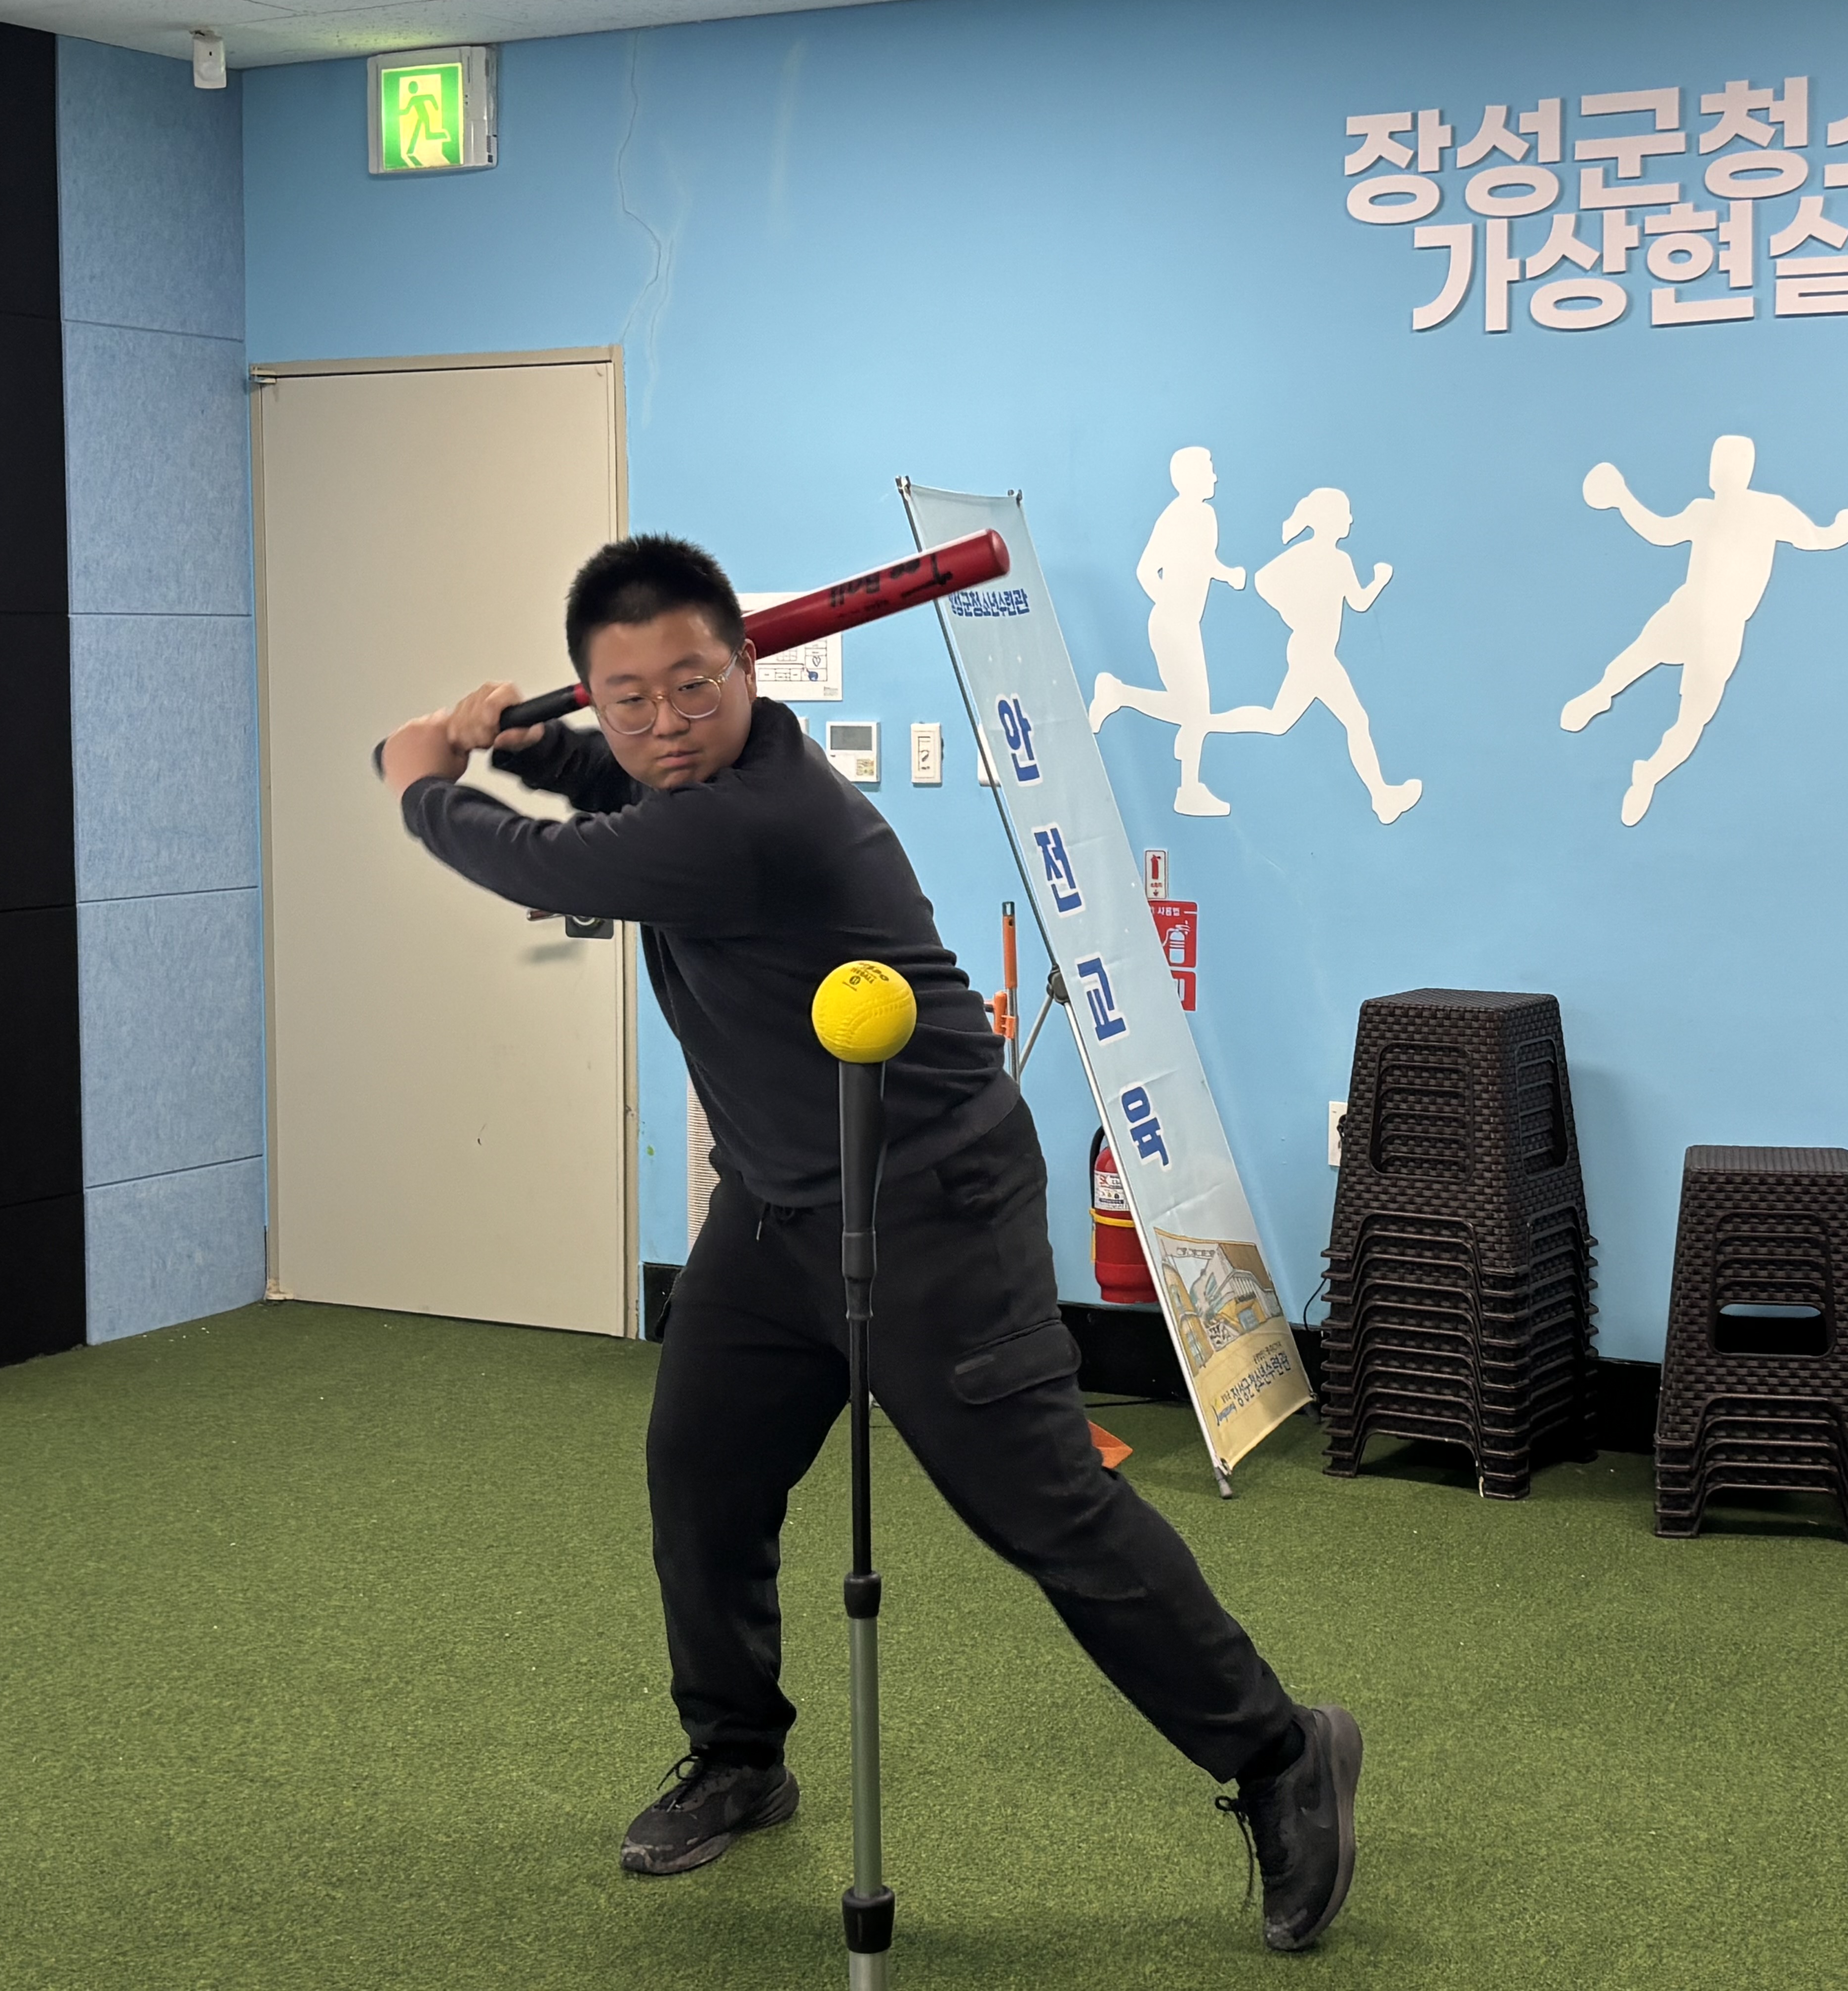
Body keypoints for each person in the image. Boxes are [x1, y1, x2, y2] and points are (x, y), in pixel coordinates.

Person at [376, 534, 1361, 1951]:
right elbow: (616, 789)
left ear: (749, 666)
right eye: (627, 697)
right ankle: (739, 1756)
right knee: (702, 1474)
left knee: (1044, 1508)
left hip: (932, 1202)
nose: (665, 722)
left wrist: (425, 779)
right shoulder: (696, 785)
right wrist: (534, 747)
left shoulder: (762, 820)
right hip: (776, 1207)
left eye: (692, 686)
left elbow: (540, 852)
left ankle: (1279, 1753)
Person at [1560, 435, 1848, 826]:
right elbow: (1660, 531)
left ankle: (1649, 775)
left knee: (1692, 716)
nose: (1723, 471)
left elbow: (1819, 538)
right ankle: (1599, 697)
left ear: (1744, 470)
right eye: (1720, 463)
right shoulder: (1704, 511)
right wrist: (1622, 500)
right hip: (1689, 610)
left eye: (1731, 463)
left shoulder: (1770, 510)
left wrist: (1842, 527)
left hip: (1723, 627)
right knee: (1638, 660)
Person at [1210, 486, 1423, 824]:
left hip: (1316, 653)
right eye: (1345, 514)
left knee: (1278, 721)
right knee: (1355, 721)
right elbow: (1264, 580)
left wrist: (1379, 582)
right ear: (1330, 520)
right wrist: (1292, 611)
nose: (1350, 520)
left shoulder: (1341, 561)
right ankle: (1382, 798)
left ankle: (1205, 723)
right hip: (1313, 654)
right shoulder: (1308, 555)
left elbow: (1359, 603)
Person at [1089, 446, 1250, 816]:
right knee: (1196, 710)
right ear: (1190, 477)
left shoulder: (1206, 516)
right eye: (1209, 471)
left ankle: (1119, 694)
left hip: (1183, 625)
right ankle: (1188, 790)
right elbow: (1146, 570)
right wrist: (1171, 603)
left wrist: (1227, 574)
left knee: (1191, 709)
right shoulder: (1175, 517)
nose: (1215, 477)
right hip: (1172, 626)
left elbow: (1204, 561)